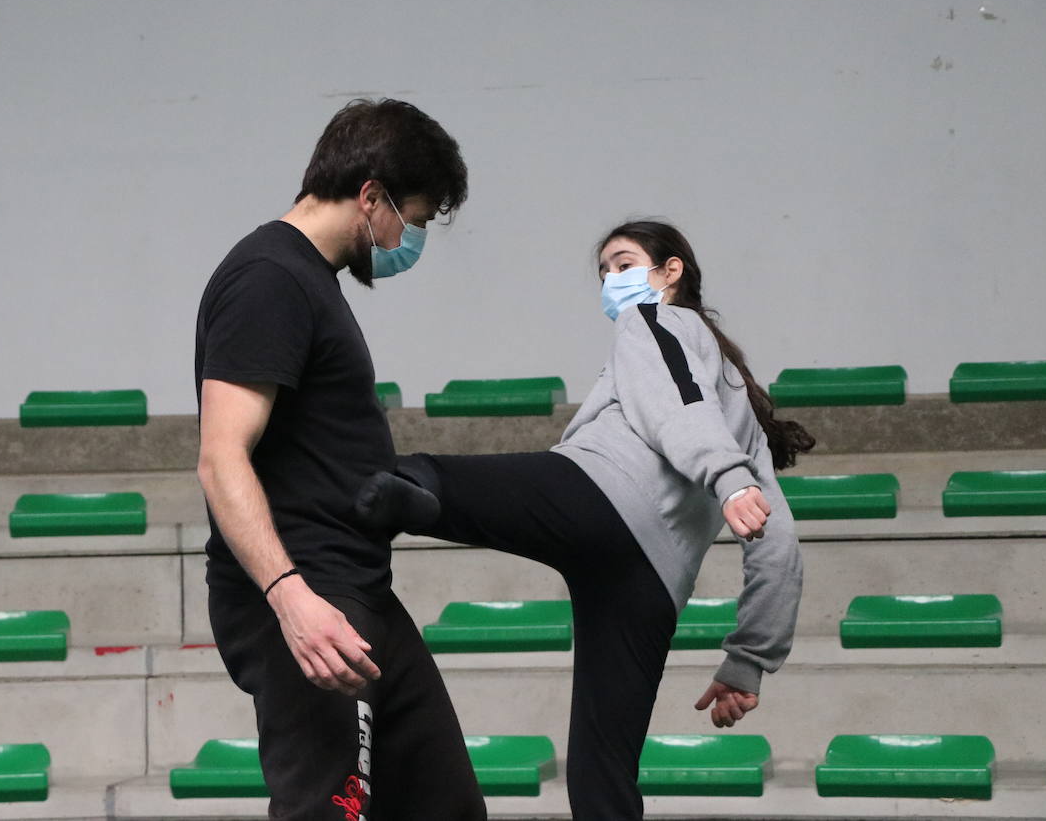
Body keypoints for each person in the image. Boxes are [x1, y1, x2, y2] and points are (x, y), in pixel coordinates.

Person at [355, 220, 813, 820]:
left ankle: (336, 504)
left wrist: (725, 477)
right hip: (650, 586)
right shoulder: (747, 418)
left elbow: (675, 402)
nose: (612, 281)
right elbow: (779, 547)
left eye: (624, 264)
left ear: (671, 271)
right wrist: (748, 661)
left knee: (421, 479)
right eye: (604, 272)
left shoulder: (658, 321)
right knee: (603, 780)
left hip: (599, 497)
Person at [194, 98, 487, 819]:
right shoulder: (269, 279)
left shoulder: (306, 280)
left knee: (446, 807)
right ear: (369, 195)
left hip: (358, 593)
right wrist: (292, 600)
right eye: (410, 220)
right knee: (329, 813)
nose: (407, 239)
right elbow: (219, 457)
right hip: (311, 597)